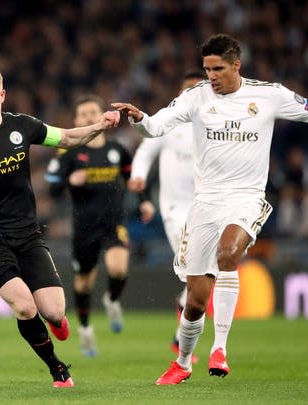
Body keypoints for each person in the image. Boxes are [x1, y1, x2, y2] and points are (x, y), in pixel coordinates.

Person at [113, 33, 308, 385]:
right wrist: (138, 116)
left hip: (246, 198)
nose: (211, 76)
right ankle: (183, 362)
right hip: (206, 203)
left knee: (229, 254)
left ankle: (220, 349)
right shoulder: (195, 96)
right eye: (206, 69)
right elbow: (155, 128)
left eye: (217, 69)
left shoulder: (269, 95)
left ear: (236, 65)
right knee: (196, 302)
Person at [0, 66, 121, 388]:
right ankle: (57, 369)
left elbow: (68, 137)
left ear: (2, 96)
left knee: (54, 311)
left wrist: (99, 126)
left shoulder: (23, 126)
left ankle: (57, 322)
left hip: (27, 233)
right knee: (23, 305)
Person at [45, 94, 153, 357]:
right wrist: (71, 180)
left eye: (93, 112)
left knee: (118, 269)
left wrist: (145, 201)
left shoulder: (118, 150)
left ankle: (112, 300)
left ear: (103, 115)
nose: (89, 117)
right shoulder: (69, 153)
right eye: (83, 115)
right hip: (84, 228)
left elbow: (133, 179)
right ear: (76, 121)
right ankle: (85, 330)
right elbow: (52, 187)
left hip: (114, 223)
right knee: (83, 283)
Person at [129, 69, 213, 366]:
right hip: (175, 210)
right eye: (187, 89)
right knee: (195, 266)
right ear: (180, 92)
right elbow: (145, 150)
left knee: (203, 276)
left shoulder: (214, 124)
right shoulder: (169, 121)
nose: (192, 94)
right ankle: (183, 341)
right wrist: (138, 175)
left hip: (206, 208)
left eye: (197, 88)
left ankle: (181, 311)